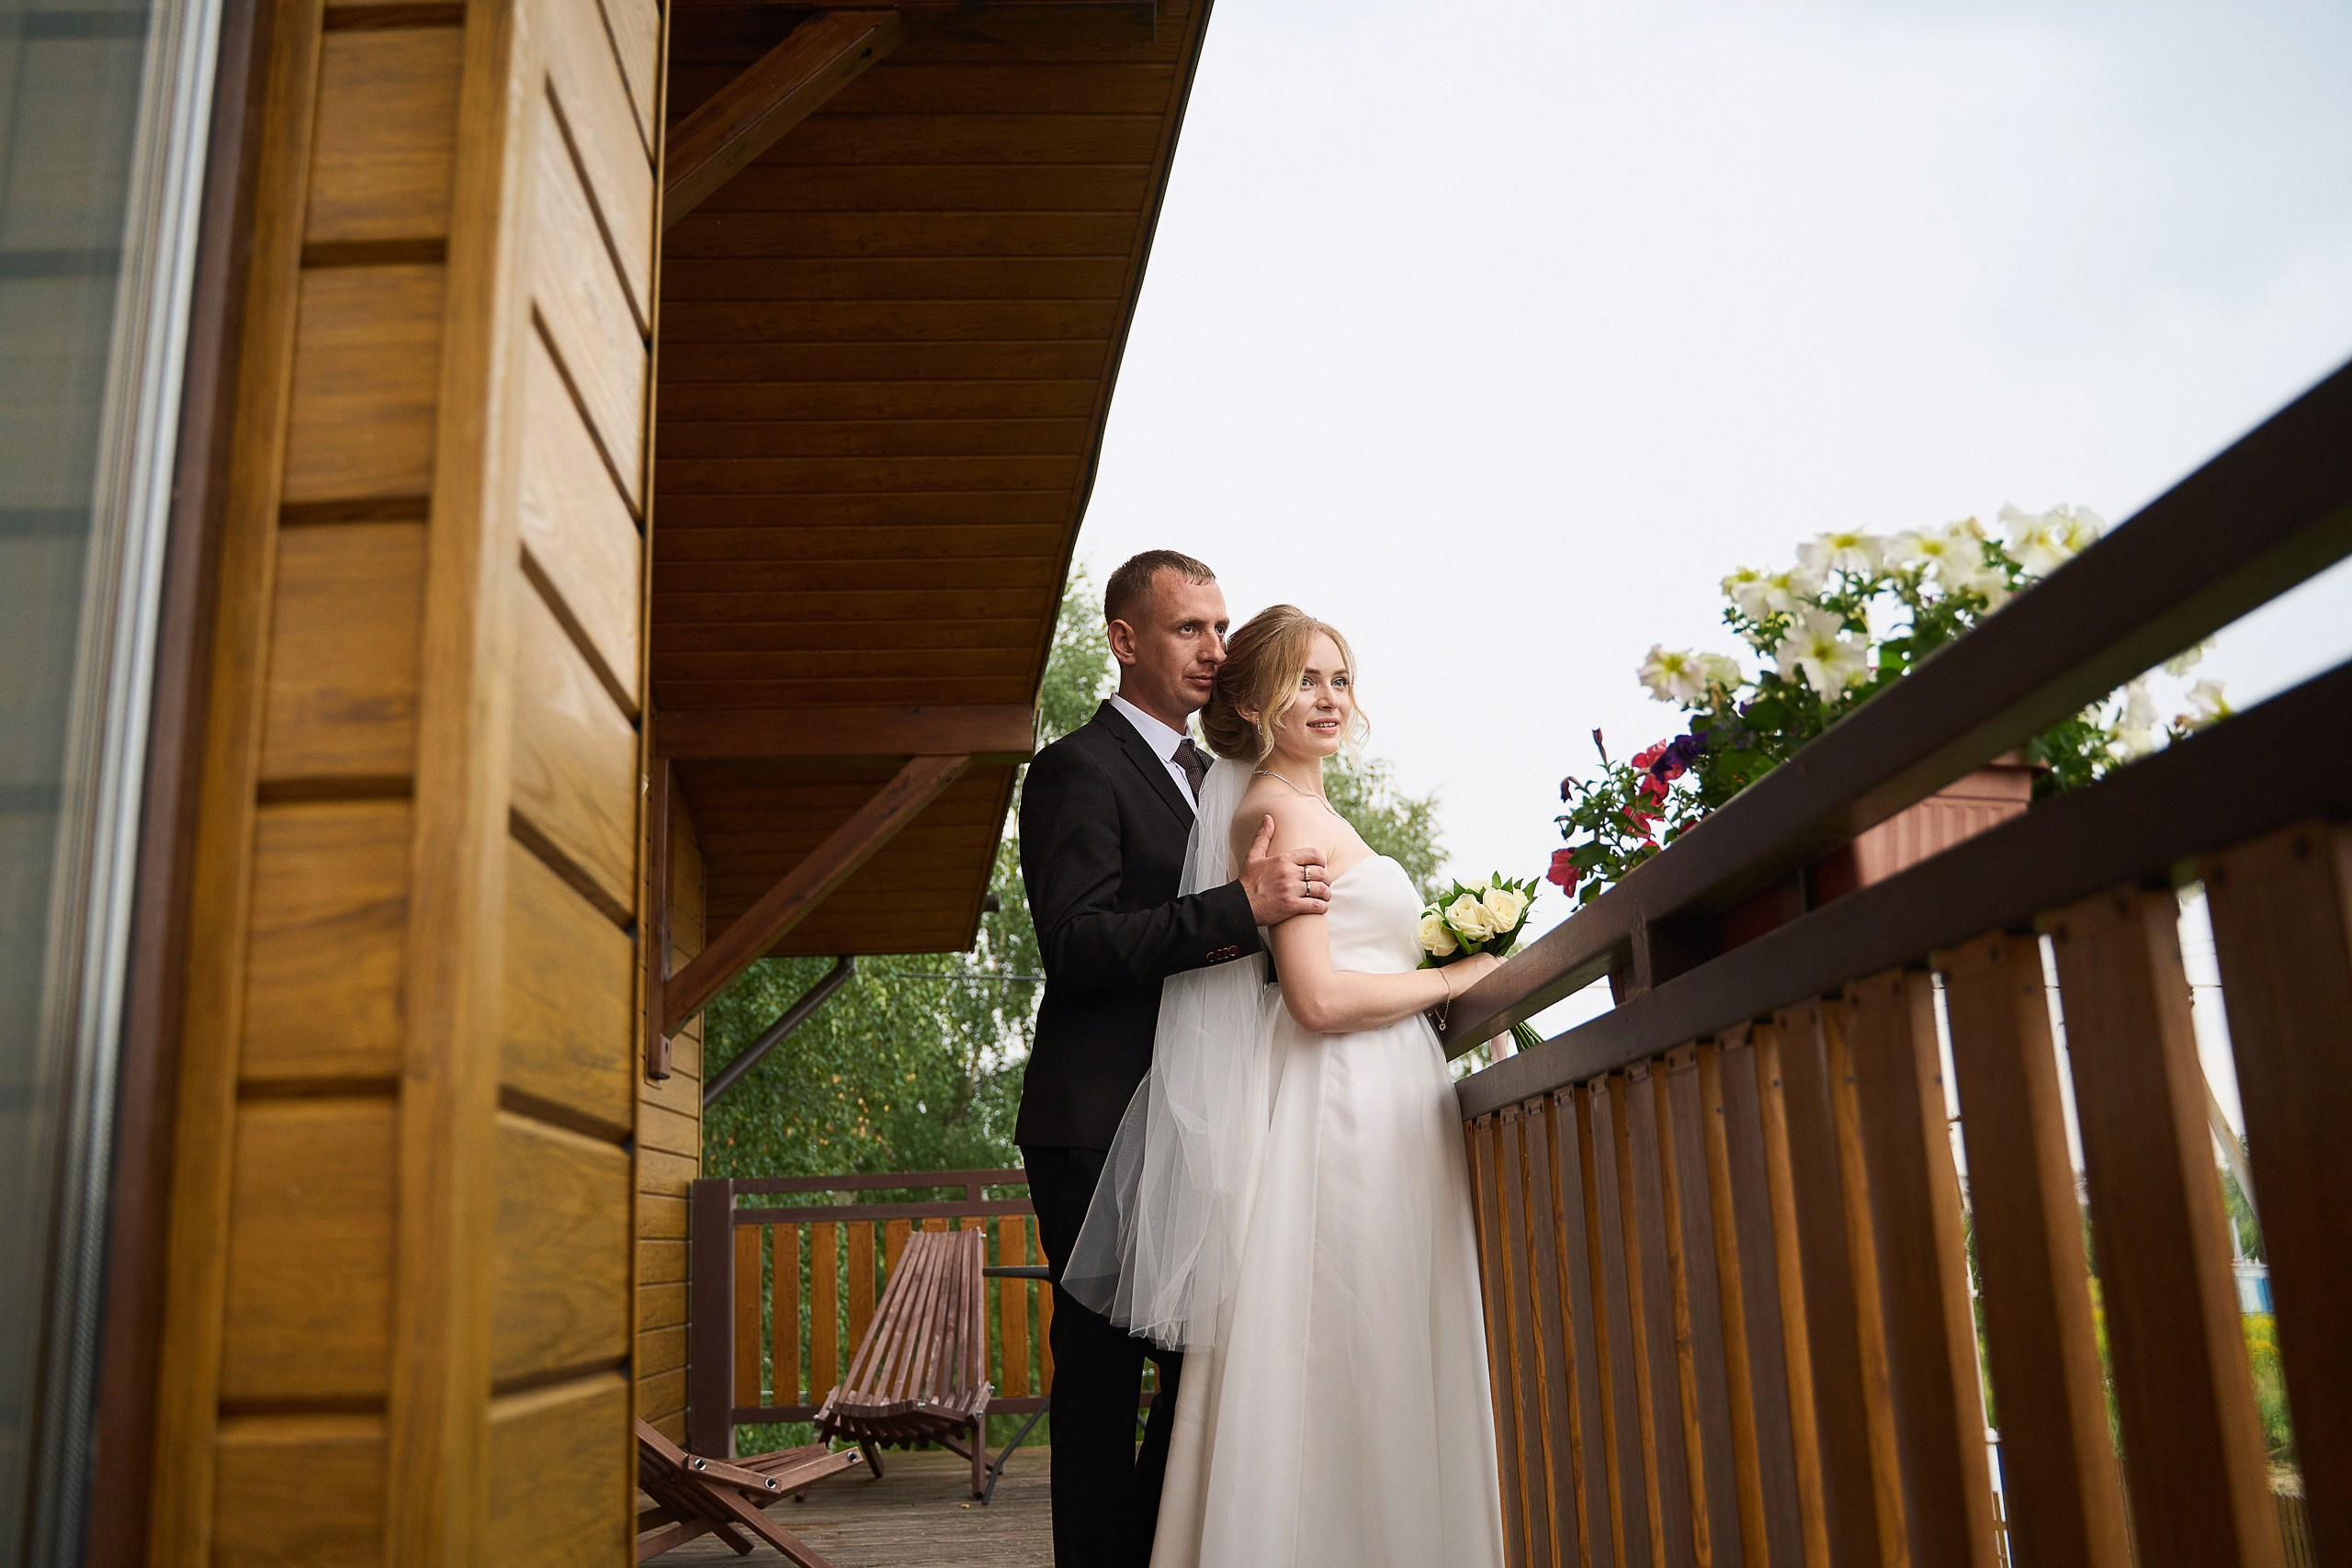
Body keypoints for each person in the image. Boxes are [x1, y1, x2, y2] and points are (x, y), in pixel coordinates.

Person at [1064, 605, 1507, 1568]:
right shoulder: (1278, 812)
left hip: (1385, 1097)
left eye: (1339, 680)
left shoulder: (1311, 808)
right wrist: (1451, 980)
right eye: (1304, 681)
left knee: (1379, 1332)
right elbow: (1313, 996)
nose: (1327, 698)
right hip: (1338, 1105)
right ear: (1258, 700)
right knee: (1347, 1334)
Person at [1017, 552, 1334, 1567]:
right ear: (1124, 640)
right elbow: (1075, 944)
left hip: (1209, 1118)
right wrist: (1241, 909)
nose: (1218, 649)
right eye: (1189, 628)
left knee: (1208, 1375)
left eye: (1222, 627)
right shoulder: (1075, 768)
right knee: (1105, 1382)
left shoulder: (1225, 780)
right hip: (1101, 1120)